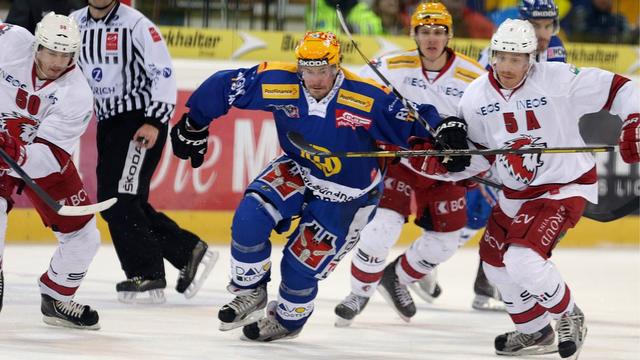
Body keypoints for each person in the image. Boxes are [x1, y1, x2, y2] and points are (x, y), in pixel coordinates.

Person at [170, 31, 456, 342]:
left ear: (337, 66)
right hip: (299, 169)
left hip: (347, 196)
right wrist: (194, 122)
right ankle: (249, 291)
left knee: (298, 269)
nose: (315, 79)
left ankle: (289, 320)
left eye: (323, 70)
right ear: (299, 67)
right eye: (308, 70)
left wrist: (445, 131)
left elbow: (415, 123)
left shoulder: (366, 97)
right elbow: (225, 85)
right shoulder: (280, 82)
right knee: (250, 216)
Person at [416, 18, 639, 358]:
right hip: (515, 193)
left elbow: (623, 88)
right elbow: (479, 159)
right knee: (494, 263)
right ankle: (534, 331)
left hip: (563, 186)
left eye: (516, 59)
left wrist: (635, 119)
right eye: (501, 57)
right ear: (492, 54)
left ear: (531, 58)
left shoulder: (558, 79)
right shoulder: (475, 96)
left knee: (522, 260)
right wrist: (447, 164)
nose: (507, 66)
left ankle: (568, 314)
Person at [333, 1, 485, 326]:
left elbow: (489, 123)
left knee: (445, 242)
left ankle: (397, 277)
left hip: (443, 171)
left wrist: (472, 159)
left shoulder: (474, 76)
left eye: (439, 32)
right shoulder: (390, 65)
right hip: (400, 161)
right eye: (425, 31)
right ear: (413, 33)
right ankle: (359, 292)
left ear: (450, 34)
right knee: (381, 229)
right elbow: (354, 97)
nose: (432, 39)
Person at [69, 0, 218, 304]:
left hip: (140, 121)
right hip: (108, 123)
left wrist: (154, 120)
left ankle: (147, 273)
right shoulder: (74, 23)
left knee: (120, 199)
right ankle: (187, 250)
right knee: (118, 201)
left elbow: (163, 73)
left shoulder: (136, 25)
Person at [0, 13, 102, 329]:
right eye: (52, 52)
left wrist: (15, 150)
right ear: (38, 45)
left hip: (34, 154)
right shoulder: (10, 41)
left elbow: (50, 156)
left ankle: (56, 297)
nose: (58, 61)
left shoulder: (77, 93)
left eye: (66, 54)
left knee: (84, 235)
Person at [4, 0, 86, 34]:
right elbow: (12, 33)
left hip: (69, 59)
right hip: (32, 59)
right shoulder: (27, 2)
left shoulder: (77, 4)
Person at [306, 0, 384, 35]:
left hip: (358, 59)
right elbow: (317, 33)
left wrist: (352, 28)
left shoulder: (360, 7)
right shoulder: (316, 7)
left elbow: (374, 29)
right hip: (325, 59)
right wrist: (345, 30)